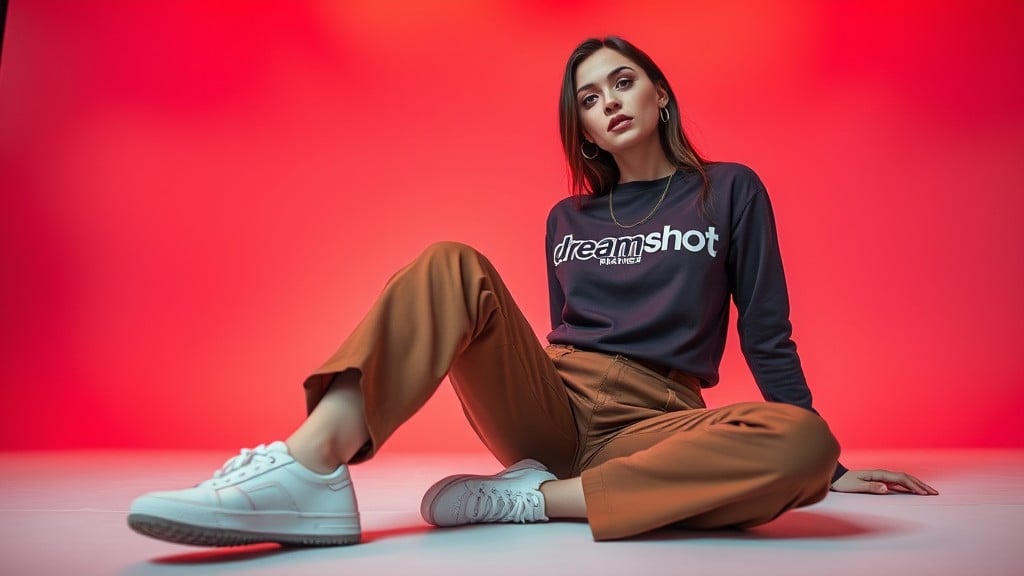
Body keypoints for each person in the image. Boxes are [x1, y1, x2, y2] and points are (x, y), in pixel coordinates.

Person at [127, 36, 937, 547]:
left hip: (658, 422)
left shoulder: (729, 192)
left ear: (659, 94)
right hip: (553, 399)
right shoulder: (568, 216)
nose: (609, 102)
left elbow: (767, 332)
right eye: (589, 98)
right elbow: (566, 334)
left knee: (799, 441)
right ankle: (311, 468)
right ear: (582, 128)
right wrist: (550, 404)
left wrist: (826, 466)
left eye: (622, 83)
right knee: (452, 261)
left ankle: (538, 502)